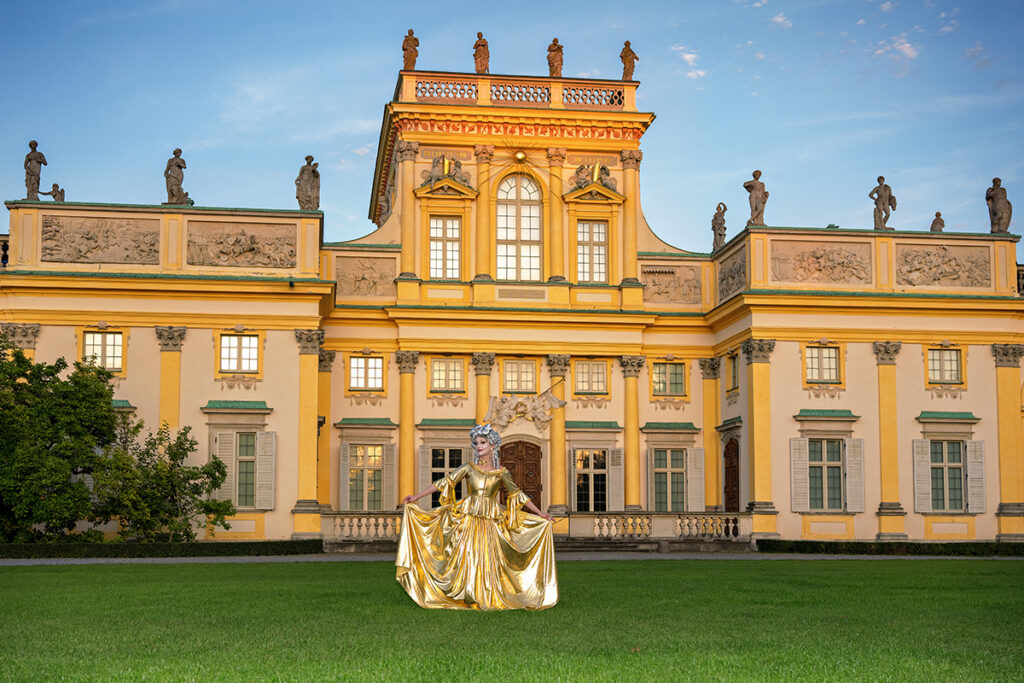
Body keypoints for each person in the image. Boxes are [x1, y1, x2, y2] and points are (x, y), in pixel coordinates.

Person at [396, 423, 558, 611]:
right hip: (469, 518)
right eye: (476, 442)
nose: (478, 446)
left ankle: (486, 594)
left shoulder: (502, 473)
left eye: (483, 442)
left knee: (489, 558)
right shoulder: (468, 468)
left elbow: (518, 494)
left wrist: (539, 513)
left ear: (492, 445)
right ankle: (467, 593)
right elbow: (445, 482)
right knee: (467, 556)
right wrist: (416, 497)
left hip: (490, 521)